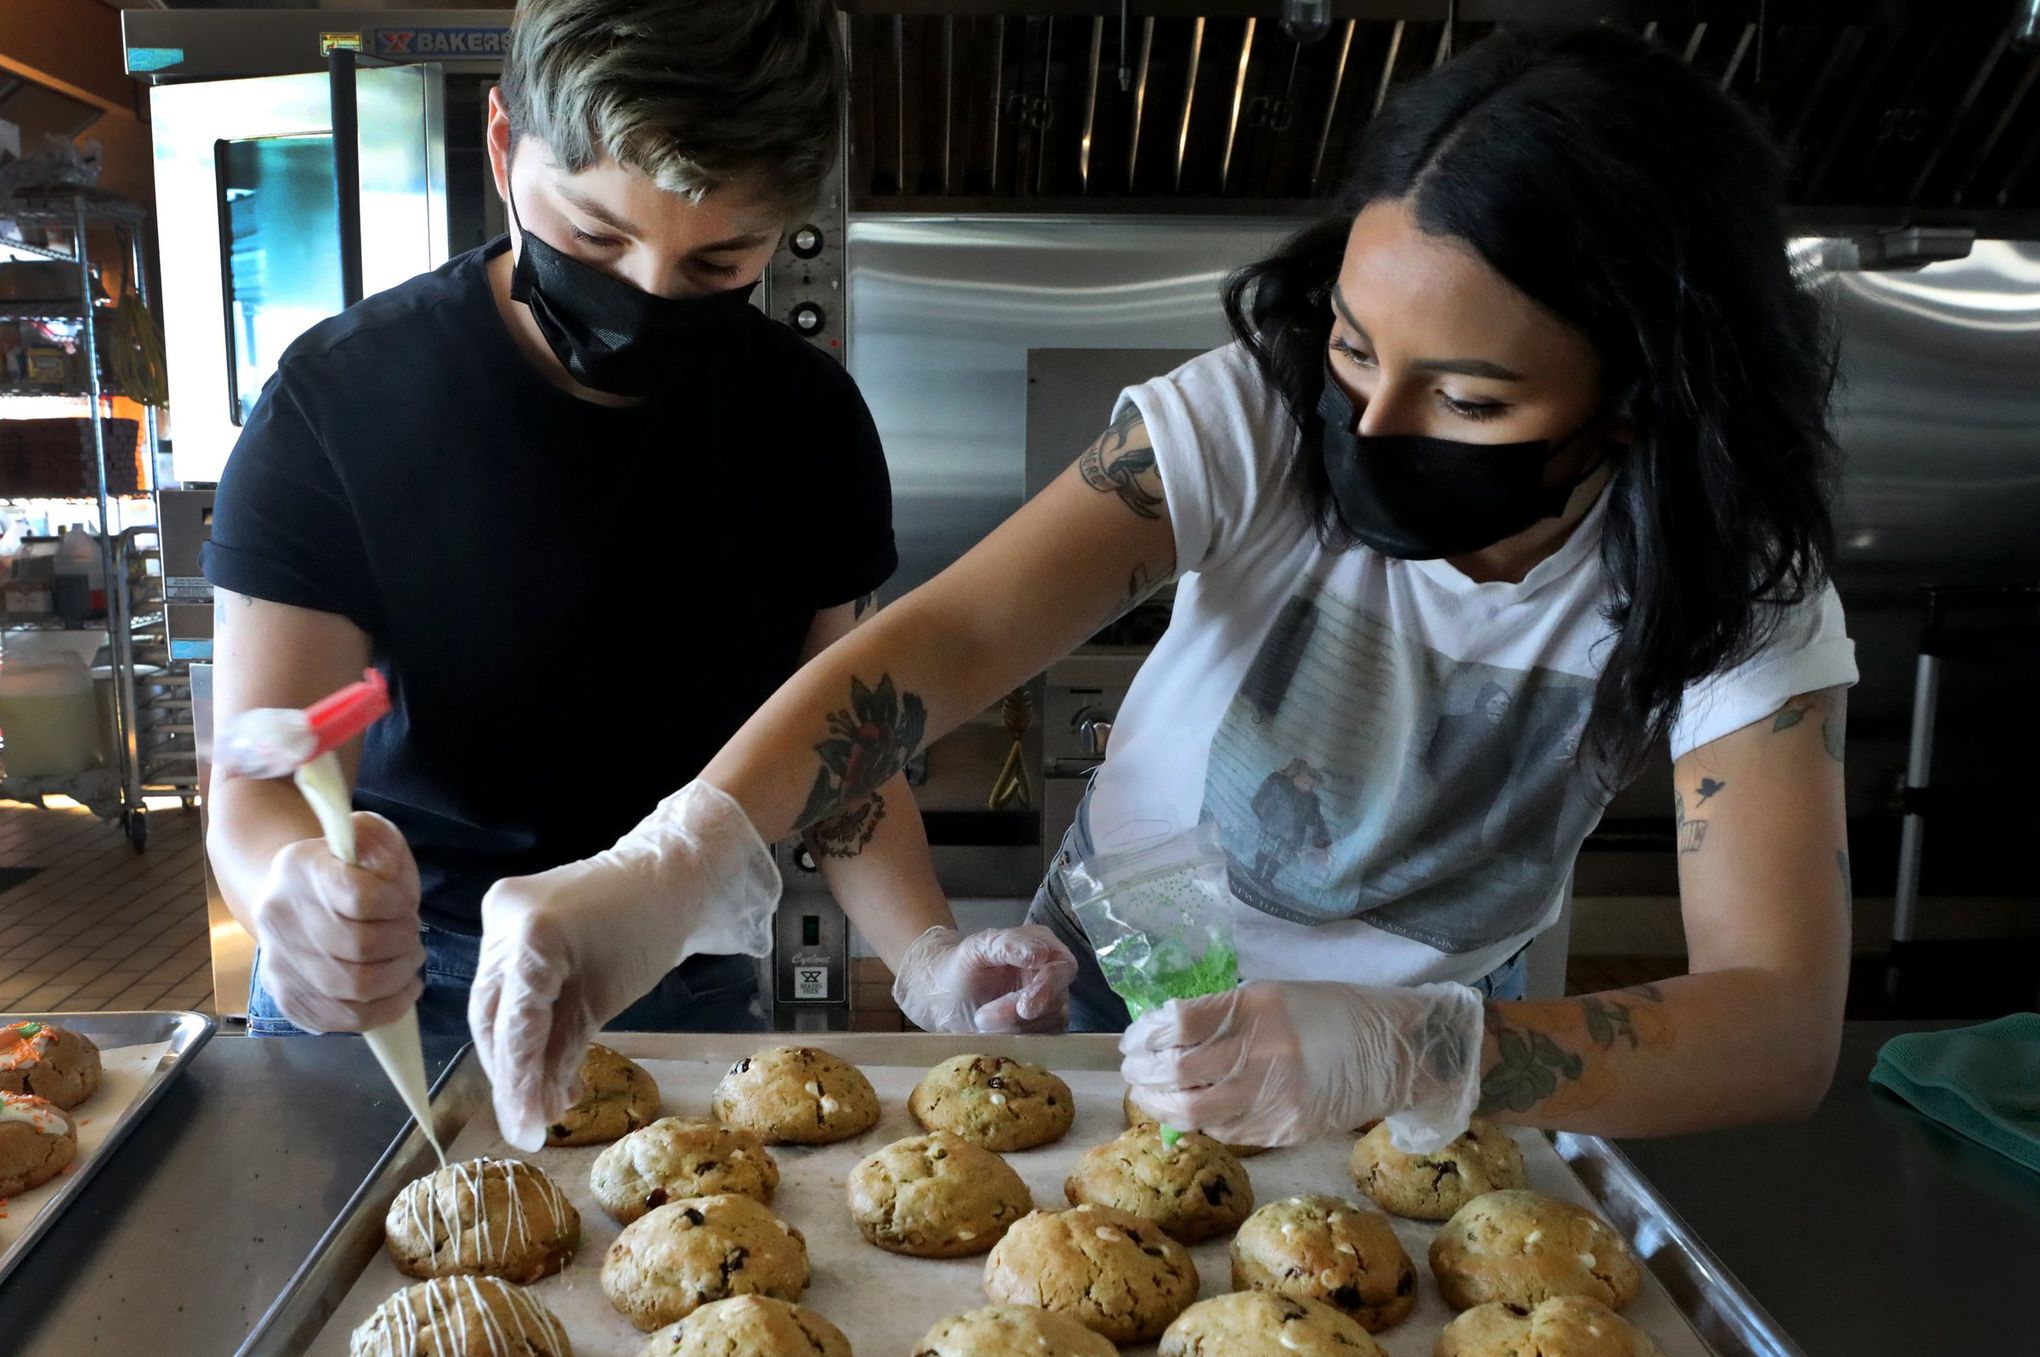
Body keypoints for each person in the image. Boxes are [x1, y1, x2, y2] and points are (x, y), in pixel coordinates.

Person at [475, 26, 1855, 1153]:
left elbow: (1779, 1025)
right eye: (1358, 352)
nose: (1370, 430)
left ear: (1642, 401)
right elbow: (948, 640)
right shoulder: (1255, 416)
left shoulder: (1732, 575)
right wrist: (674, 863)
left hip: (1437, 1077)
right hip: (1104, 1005)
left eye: (1470, 397)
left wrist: (1419, 1051)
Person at [202, 0, 1074, 1098]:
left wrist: (930, 959)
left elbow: (842, 747)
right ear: (504, 144)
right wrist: (293, 888)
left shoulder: (805, 425)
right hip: (400, 975)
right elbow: (260, 778)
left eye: (718, 265)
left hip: (678, 969)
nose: (645, 302)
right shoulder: (340, 406)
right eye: (594, 238)